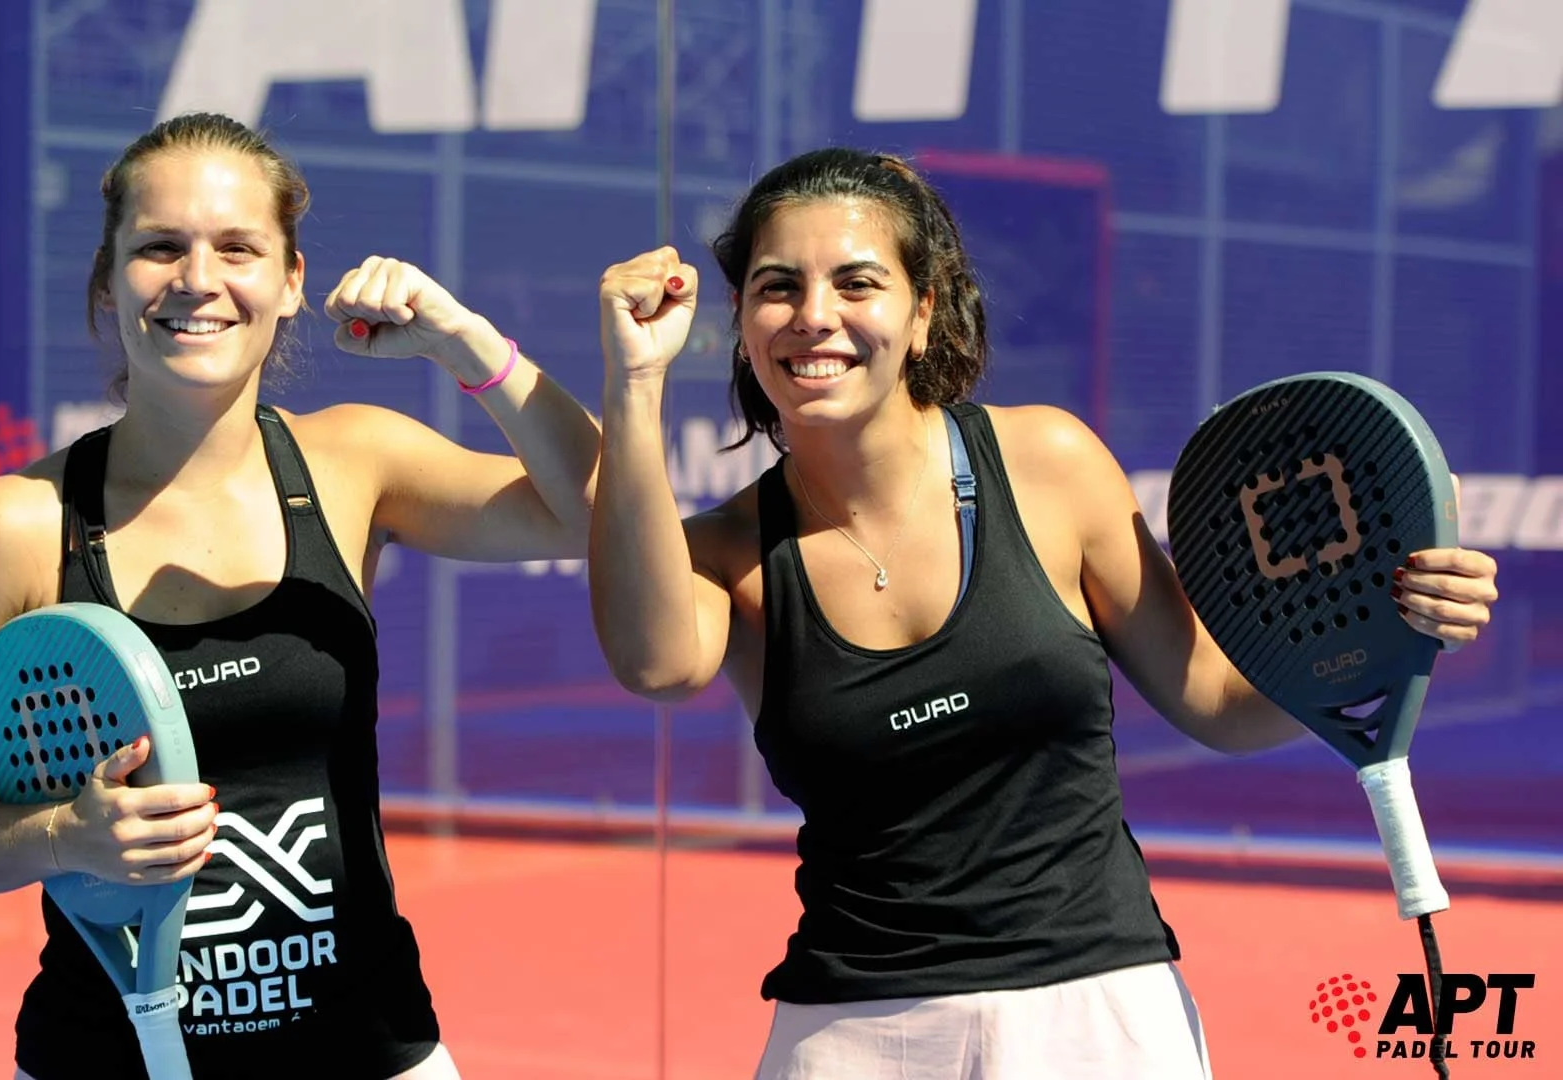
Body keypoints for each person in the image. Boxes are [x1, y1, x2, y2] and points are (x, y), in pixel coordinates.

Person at [586, 147, 1501, 1079]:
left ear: (922, 311)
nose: (814, 314)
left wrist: (1391, 625)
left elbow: (1220, 704)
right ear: (741, 322)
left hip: (1103, 1016)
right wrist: (636, 381)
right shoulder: (724, 552)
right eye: (778, 287)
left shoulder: (1051, 463)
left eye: (857, 283)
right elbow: (656, 663)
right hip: (852, 1030)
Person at [0, 111, 600, 1080]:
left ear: (292, 279)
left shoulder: (353, 462)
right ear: (107, 280)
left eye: (237, 248)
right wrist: (64, 838)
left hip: (370, 1052)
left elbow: (599, 510)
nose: (197, 279)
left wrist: (466, 344)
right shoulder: (12, 524)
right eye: (159, 247)